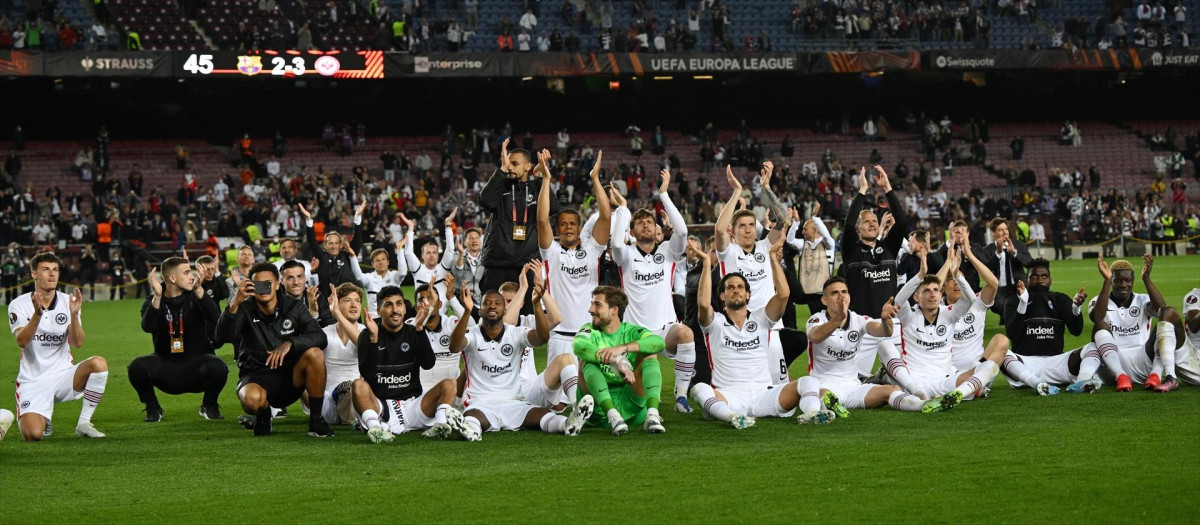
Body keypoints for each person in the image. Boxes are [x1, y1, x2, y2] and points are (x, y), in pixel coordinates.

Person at [692, 234, 824, 426]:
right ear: (722, 295)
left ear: (748, 294)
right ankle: (732, 418)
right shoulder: (715, 322)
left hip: (765, 394)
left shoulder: (761, 318)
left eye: (740, 287)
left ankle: (813, 414)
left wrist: (772, 259)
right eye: (730, 288)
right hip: (730, 396)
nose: (735, 290)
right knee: (700, 389)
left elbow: (784, 294)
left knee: (808, 382)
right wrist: (705, 264)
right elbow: (703, 304)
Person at [875, 247, 1007, 413]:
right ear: (916, 297)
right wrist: (919, 276)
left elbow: (971, 299)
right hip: (914, 380)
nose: (932, 294)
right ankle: (918, 394)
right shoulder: (909, 316)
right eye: (927, 291)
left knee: (988, 367)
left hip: (945, 380)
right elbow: (900, 299)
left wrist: (957, 275)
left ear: (940, 294)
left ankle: (956, 394)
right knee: (884, 345)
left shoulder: (949, 314)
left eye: (936, 290)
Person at [451, 283, 592, 438]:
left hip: (513, 402)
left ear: (504, 310)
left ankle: (568, 423)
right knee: (474, 417)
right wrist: (466, 312)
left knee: (542, 414)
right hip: (481, 402)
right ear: (480, 310)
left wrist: (536, 304)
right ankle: (471, 430)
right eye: (487, 303)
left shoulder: (516, 333)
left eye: (498, 303)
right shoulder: (472, 334)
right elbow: (454, 346)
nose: (492, 306)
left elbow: (542, 338)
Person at [609, 168, 696, 413]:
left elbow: (683, 232)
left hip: (664, 327)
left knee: (685, 333)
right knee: (633, 394)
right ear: (633, 231)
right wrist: (623, 209)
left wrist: (664, 194)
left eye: (650, 222)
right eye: (640, 223)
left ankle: (681, 396)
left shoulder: (667, 251)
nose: (646, 225)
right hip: (635, 331)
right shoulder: (626, 255)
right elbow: (616, 242)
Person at [215, 262, 333, 437]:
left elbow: (320, 337)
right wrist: (234, 303)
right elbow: (222, 337)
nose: (263, 289)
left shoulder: (293, 306)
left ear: (277, 284)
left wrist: (290, 343)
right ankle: (263, 416)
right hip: (256, 374)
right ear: (250, 285)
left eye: (267, 284)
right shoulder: (245, 307)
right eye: (258, 285)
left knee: (314, 353)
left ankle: (316, 420)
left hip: (290, 376)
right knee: (251, 400)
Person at [350, 285, 470, 443]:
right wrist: (373, 339)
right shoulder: (368, 334)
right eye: (388, 305)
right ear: (378, 311)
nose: (395, 310)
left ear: (405, 309)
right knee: (358, 385)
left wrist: (420, 328)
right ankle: (375, 429)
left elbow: (428, 363)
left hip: (413, 404)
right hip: (381, 405)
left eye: (399, 304)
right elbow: (368, 374)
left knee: (449, 384)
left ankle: (441, 425)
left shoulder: (414, 331)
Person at [8, 253, 108, 440]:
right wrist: (37, 315)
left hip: (63, 376)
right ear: (34, 274)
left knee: (99, 364)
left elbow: (78, 343)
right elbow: (22, 341)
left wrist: (74, 315)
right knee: (33, 435)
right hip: (33, 381)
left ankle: (84, 423)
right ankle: (42, 417)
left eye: (55, 270)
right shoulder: (18, 305)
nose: (52, 274)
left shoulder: (67, 301)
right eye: (45, 269)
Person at [714, 163, 791, 385]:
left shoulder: (766, 246)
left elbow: (783, 219)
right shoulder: (728, 253)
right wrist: (736, 191)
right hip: (738, 323)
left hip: (769, 320)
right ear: (734, 230)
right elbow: (719, 230)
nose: (747, 229)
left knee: (779, 379)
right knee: (743, 378)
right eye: (742, 226)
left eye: (751, 225)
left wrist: (766, 187)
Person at [805, 276, 923, 414]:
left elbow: (884, 332)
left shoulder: (858, 320)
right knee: (822, 395)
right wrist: (839, 318)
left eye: (844, 292)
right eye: (835, 293)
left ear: (849, 296)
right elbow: (815, 336)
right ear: (824, 300)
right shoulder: (816, 319)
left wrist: (885, 320)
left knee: (893, 390)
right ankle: (827, 407)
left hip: (853, 387)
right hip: (824, 385)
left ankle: (923, 404)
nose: (841, 296)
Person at [130, 257, 227, 422]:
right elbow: (148, 327)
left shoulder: (196, 296)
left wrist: (199, 291)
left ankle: (209, 405)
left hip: (197, 364)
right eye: (187, 272)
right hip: (167, 364)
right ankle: (153, 408)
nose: (192, 276)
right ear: (172, 278)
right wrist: (157, 297)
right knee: (136, 367)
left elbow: (216, 319)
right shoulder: (152, 300)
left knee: (218, 366)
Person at [539, 149, 611, 366]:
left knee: (591, 392)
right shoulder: (550, 252)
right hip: (559, 335)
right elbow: (542, 220)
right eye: (563, 223)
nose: (568, 227)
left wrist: (595, 180)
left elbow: (606, 216)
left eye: (572, 223)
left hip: (591, 333)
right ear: (557, 228)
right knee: (558, 397)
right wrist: (546, 179)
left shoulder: (592, 250)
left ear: (579, 228)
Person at [477, 138, 561, 311]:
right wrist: (501, 168)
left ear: (528, 167)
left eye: (515, 164)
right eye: (508, 163)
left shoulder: (536, 188)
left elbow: (553, 208)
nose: (510, 167)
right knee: (491, 313)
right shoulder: (501, 185)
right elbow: (485, 201)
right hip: (497, 263)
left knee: (527, 314)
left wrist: (539, 178)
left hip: (527, 264)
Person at [840, 165, 906, 378]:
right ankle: (878, 379)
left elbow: (902, 222)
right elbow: (848, 224)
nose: (872, 224)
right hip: (863, 325)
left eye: (874, 221)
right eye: (866, 221)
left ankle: (883, 378)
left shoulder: (889, 247)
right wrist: (862, 191)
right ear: (858, 229)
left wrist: (887, 188)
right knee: (855, 380)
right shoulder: (852, 251)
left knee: (904, 377)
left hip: (891, 324)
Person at [572, 286, 666, 435]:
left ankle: (653, 415)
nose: (590, 309)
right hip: (598, 411)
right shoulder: (589, 330)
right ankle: (613, 415)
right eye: (592, 304)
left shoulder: (631, 331)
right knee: (586, 361)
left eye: (597, 305)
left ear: (614, 310)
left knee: (650, 354)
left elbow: (659, 343)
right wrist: (616, 361)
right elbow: (579, 346)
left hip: (631, 405)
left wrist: (623, 348)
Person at [1084, 255, 1184, 392]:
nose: (1123, 284)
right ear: (1112, 281)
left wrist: (1147, 279)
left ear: (1133, 281)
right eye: (1118, 280)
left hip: (1143, 362)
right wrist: (1106, 281)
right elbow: (1097, 318)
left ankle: (1155, 375)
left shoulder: (1143, 300)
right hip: (1112, 364)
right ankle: (1121, 375)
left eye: (1127, 280)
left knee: (1164, 327)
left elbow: (1163, 312)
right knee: (1101, 325)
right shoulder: (1099, 300)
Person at [1000, 258, 1099, 395]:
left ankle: (1082, 382)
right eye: (1034, 276)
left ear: (1050, 280)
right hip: (1025, 366)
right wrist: (1022, 304)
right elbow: (1012, 333)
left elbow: (1076, 331)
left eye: (1044, 276)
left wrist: (1076, 309)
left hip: (1056, 364)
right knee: (1001, 352)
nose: (1040, 280)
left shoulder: (1060, 299)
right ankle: (1038, 385)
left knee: (1093, 347)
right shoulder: (1013, 301)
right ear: (1027, 279)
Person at [942, 230, 1000, 375]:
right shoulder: (936, 308)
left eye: (959, 279)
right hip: (949, 371)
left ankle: (977, 378)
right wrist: (949, 262)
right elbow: (932, 287)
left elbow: (993, 284)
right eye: (951, 279)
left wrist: (969, 254)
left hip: (978, 368)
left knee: (1001, 341)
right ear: (942, 287)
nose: (956, 283)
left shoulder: (976, 302)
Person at [317, 283, 366, 427]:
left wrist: (338, 314)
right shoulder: (324, 333)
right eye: (347, 300)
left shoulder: (367, 332)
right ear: (336, 303)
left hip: (357, 399)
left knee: (352, 387)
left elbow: (363, 345)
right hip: (325, 401)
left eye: (357, 300)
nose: (354, 305)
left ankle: (350, 414)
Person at [300, 199, 366, 299]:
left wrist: (357, 218)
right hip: (326, 308)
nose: (333, 246)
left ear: (340, 245)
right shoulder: (321, 257)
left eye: (336, 243)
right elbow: (312, 243)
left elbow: (357, 240)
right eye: (330, 243)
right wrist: (309, 220)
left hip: (346, 306)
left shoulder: (348, 256)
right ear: (325, 245)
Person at [401, 208, 457, 314]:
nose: (431, 255)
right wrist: (411, 229)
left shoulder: (444, 268)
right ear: (422, 256)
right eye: (428, 253)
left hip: (442, 319)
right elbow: (408, 252)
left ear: (438, 255)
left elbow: (450, 250)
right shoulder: (418, 269)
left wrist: (448, 226)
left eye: (434, 252)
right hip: (422, 317)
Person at [976, 217, 1032, 320]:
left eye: (1006, 229)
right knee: (999, 305)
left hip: (1018, 286)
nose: (1005, 232)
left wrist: (1015, 252)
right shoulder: (988, 250)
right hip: (999, 290)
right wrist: (998, 253)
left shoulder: (1019, 245)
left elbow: (1029, 263)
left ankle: (1011, 316)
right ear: (993, 232)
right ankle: (1005, 315)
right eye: (1000, 230)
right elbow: (986, 270)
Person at [787, 203, 834, 316]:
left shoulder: (828, 245)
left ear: (815, 230)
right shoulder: (803, 244)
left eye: (805, 229)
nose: (802, 232)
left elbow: (826, 235)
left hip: (825, 292)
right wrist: (796, 222)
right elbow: (790, 240)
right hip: (809, 293)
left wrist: (815, 218)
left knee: (830, 319)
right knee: (816, 319)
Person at [349, 242, 407, 318]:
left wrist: (399, 249)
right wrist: (352, 256)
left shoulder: (394, 276)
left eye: (383, 259)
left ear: (388, 262)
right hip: (375, 320)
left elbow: (403, 272)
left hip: (393, 317)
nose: (381, 262)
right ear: (372, 264)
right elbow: (359, 277)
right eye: (377, 260)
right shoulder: (369, 278)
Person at [279, 260, 335, 328]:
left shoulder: (315, 295)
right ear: (282, 281)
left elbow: (330, 324)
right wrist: (311, 316)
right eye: (290, 278)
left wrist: (315, 315)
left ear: (305, 278)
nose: (296, 282)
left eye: (299, 276)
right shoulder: (275, 301)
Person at [451, 227, 485, 305]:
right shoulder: (458, 255)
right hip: (462, 299)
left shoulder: (486, 257)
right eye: (471, 238)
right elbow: (457, 274)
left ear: (480, 241)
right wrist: (461, 254)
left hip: (481, 299)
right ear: (465, 242)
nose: (474, 240)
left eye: (477, 238)